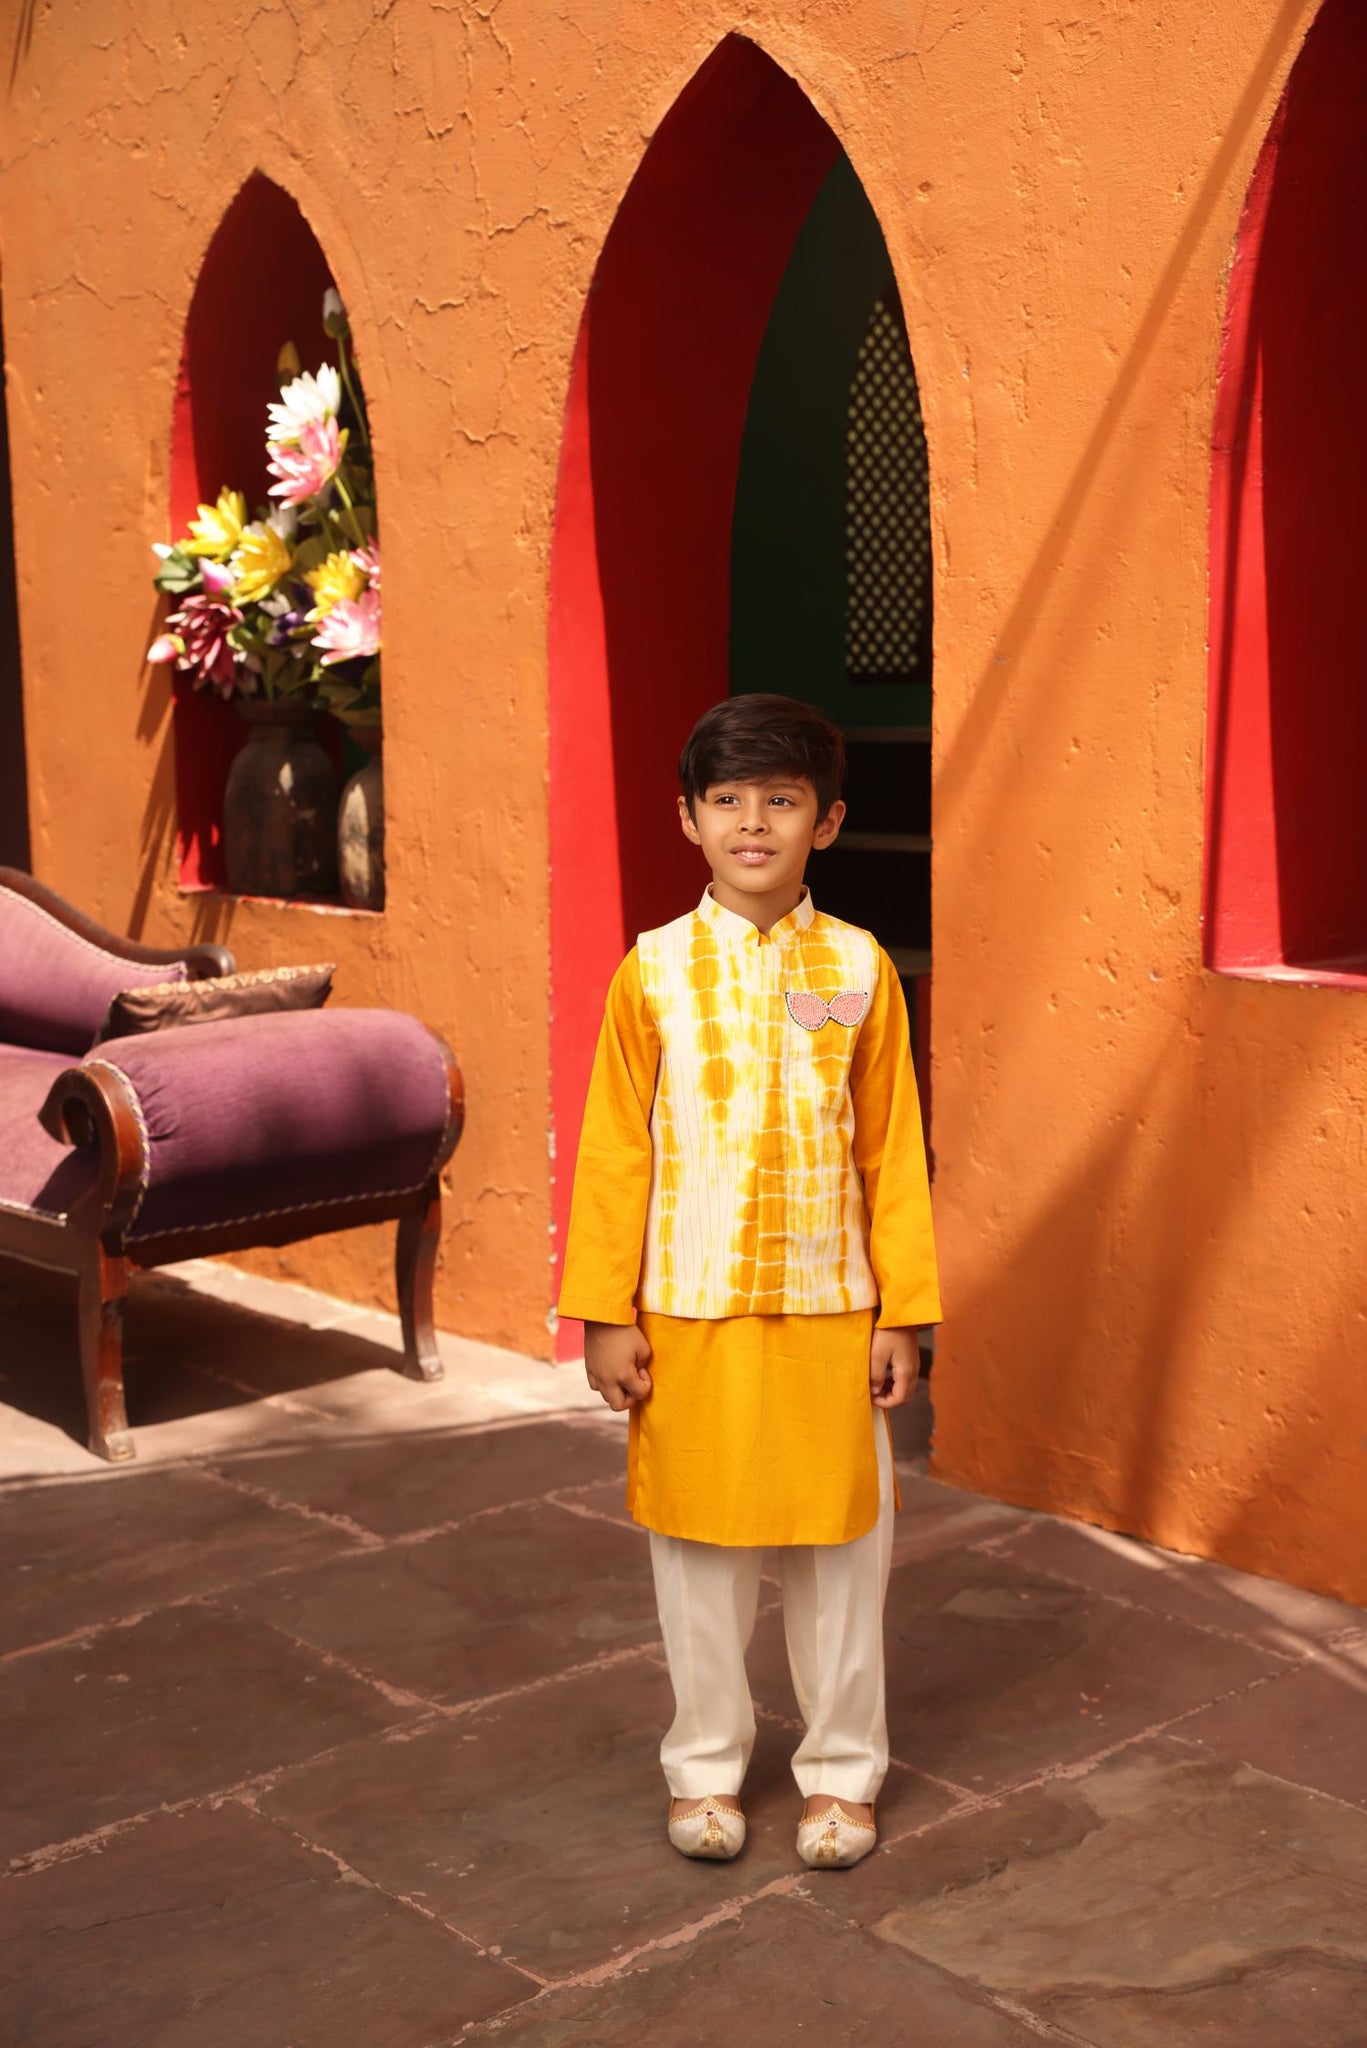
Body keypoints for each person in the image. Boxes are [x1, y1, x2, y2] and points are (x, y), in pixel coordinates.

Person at [557, 693, 940, 1870]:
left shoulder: (858, 969)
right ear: (688, 819)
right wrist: (603, 1310)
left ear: (826, 823)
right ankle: (704, 1769)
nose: (753, 822)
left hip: (831, 1313)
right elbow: (616, 1146)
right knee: (698, 1560)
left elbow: (891, 1146)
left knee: (840, 1556)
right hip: (688, 1310)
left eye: (781, 799)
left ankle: (839, 1776)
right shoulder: (652, 972)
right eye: (727, 799)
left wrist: (903, 1312)